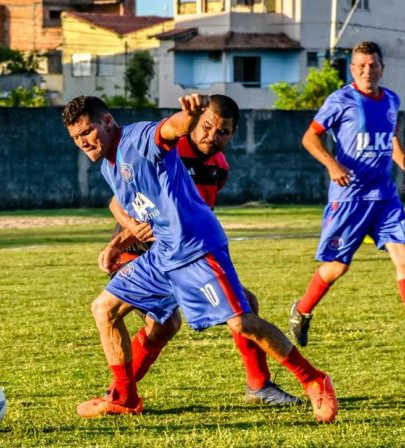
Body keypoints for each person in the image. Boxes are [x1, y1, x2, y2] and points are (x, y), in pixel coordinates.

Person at [62, 95, 338, 423]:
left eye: (87, 132)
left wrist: (188, 117)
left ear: (107, 122)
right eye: (77, 137)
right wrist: (118, 242)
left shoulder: (136, 139)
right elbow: (132, 207)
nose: (83, 142)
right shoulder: (109, 162)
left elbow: (167, 130)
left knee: (241, 321)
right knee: (104, 309)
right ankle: (124, 397)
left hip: (195, 248)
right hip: (162, 252)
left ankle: (314, 380)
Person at [102, 95, 300, 406]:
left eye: (223, 132)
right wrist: (125, 234)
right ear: (195, 121)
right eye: (206, 127)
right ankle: (119, 392)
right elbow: (117, 201)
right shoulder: (168, 148)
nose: (212, 136)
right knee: (161, 325)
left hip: (180, 253)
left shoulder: (218, 167)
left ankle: (259, 385)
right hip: (139, 252)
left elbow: (196, 215)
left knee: (245, 304)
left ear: (232, 134)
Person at [290, 41, 405, 351]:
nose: (367, 70)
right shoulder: (340, 100)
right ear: (352, 69)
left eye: (372, 65)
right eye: (361, 65)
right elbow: (310, 138)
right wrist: (332, 164)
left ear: (382, 68)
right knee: (337, 266)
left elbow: (391, 138)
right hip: (350, 197)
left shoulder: (391, 100)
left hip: (385, 196)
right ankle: (301, 310)